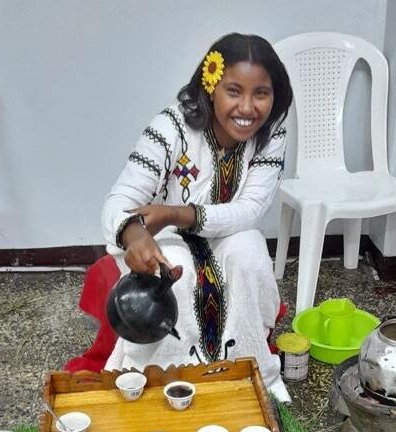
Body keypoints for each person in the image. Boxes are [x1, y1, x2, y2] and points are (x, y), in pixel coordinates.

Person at [101, 32, 293, 400]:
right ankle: (160, 380)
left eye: (261, 93)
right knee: (174, 267)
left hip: (227, 233)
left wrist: (177, 212)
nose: (248, 108)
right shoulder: (170, 128)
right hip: (166, 240)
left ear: (275, 95)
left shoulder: (271, 132)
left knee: (250, 251)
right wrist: (134, 235)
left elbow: (249, 210)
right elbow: (118, 201)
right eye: (233, 91)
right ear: (210, 86)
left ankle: (254, 376)